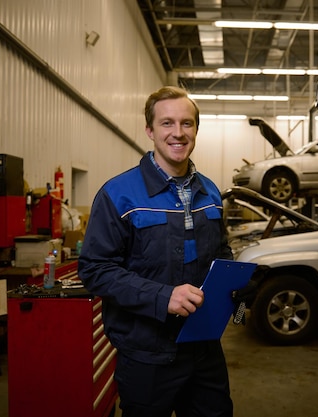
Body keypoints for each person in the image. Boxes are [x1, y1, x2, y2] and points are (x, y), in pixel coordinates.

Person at [78, 86, 235, 417]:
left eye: (187, 123)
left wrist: (239, 301)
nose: (178, 133)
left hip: (205, 350)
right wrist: (163, 297)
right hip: (146, 356)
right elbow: (94, 269)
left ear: (195, 129)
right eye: (167, 124)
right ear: (149, 130)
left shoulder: (211, 193)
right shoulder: (118, 194)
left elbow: (222, 254)